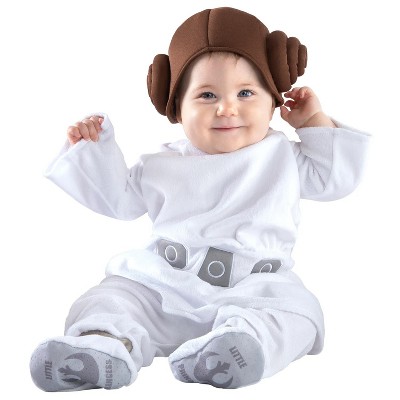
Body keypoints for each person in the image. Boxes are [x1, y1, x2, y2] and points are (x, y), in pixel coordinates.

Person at [30, 7, 370, 391]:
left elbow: (333, 179)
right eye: (207, 94)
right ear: (176, 107)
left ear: (273, 103)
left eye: (246, 92)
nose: (227, 107)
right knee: (111, 297)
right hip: (163, 285)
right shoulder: (161, 164)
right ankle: (104, 345)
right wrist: (94, 148)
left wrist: (313, 122)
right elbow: (118, 200)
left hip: (255, 290)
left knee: (301, 314)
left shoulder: (282, 157)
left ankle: (239, 346)